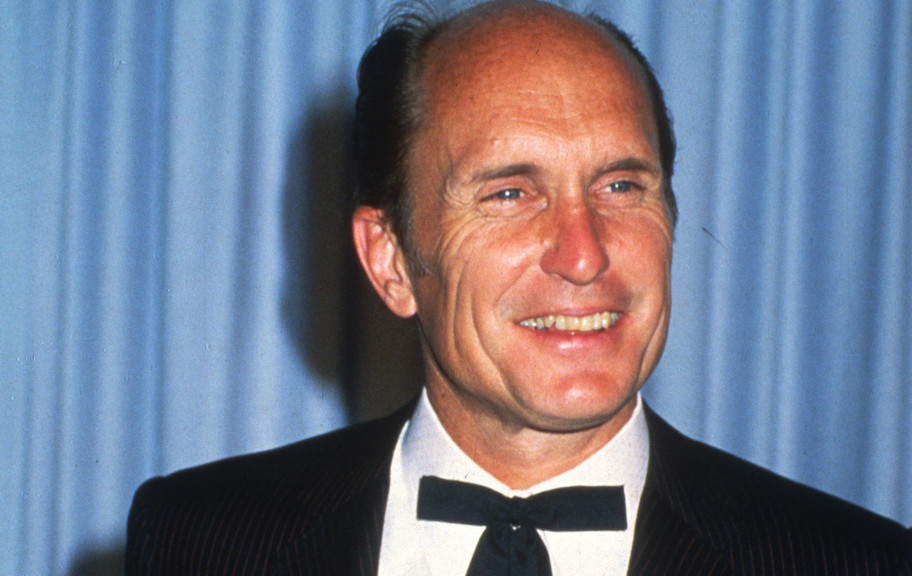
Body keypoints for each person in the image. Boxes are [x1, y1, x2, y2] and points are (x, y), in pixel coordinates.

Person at [125, 1, 912, 574]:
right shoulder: (200, 540)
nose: (583, 253)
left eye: (621, 187)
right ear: (392, 260)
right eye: (509, 193)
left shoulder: (854, 562)